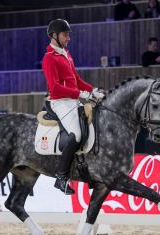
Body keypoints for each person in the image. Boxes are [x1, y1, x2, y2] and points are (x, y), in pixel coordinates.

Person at [42, 19, 104, 195]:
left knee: (92, 126)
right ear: (54, 36)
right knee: (76, 134)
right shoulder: (49, 58)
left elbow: (76, 80)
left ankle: (85, 169)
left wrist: (93, 91)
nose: (68, 38)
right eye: (65, 34)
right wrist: (80, 94)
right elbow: (54, 88)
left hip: (72, 100)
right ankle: (61, 177)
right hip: (59, 102)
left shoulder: (66, 54)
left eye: (68, 34)